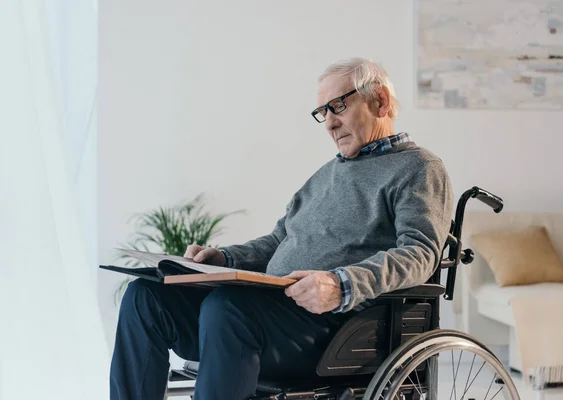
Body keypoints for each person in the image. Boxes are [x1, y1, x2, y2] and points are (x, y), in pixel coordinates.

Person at [109, 57, 454, 400]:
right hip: (271, 312)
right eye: (323, 112)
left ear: (379, 100)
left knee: (228, 307)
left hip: (338, 328)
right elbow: (279, 241)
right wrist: (225, 258)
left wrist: (340, 284)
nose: (329, 124)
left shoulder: (418, 168)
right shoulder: (323, 176)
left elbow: (419, 254)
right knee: (145, 296)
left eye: (337, 106)